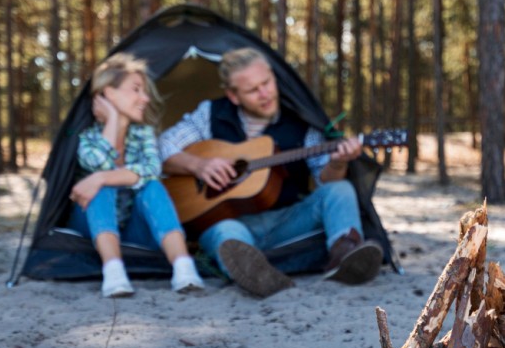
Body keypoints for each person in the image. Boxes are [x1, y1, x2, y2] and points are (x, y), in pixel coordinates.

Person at [157, 47, 382, 298]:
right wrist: (198, 165)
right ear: (233, 95)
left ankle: (345, 253)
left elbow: (324, 181)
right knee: (227, 236)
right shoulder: (210, 114)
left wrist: (338, 163)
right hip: (229, 222)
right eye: (253, 90)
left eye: (267, 83)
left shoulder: (300, 119)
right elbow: (161, 148)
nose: (265, 94)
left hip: (288, 220)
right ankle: (257, 274)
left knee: (340, 190)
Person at [70, 52, 205, 298]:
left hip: (134, 231)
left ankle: (183, 267)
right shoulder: (86, 136)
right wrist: (112, 120)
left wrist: (99, 178)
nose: (145, 98)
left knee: (152, 186)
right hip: (90, 229)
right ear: (109, 93)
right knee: (101, 189)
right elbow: (96, 162)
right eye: (136, 90)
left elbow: (153, 168)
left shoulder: (143, 134)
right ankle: (113, 271)